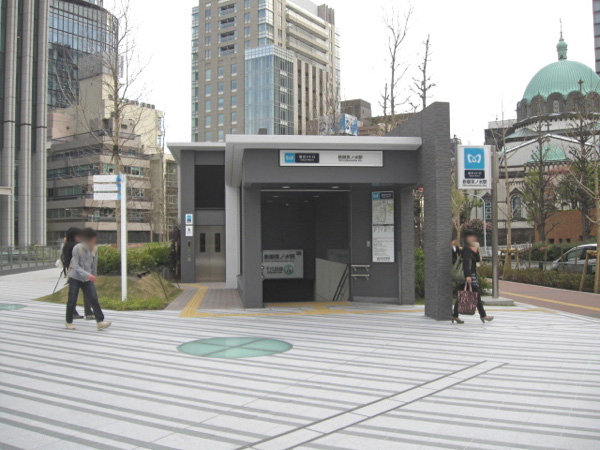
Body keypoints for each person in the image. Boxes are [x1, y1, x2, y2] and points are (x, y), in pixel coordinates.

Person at [65, 228, 111, 331]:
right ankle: (69, 322)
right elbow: (75, 266)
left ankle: (100, 321)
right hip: (75, 278)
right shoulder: (77, 248)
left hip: (87, 279)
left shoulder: (94, 249)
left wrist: (93, 276)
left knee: (94, 299)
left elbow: (94, 265)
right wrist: (87, 274)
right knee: (72, 300)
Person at [452, 229, 494, 324]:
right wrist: (468, 275)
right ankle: (483, 315)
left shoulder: (471, 248)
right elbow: (466, 263)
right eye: (471, 236)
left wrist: (476, 251)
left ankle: (455, 315)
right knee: (475, 295)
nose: (473, 238)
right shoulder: (466, 249)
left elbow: (477, 260)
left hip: (470, 275)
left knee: (463, 295)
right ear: (467, 238)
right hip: (469, 276)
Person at [60, 228, 93, 320]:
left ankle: (73, 313)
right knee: (87, 292)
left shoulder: (66, 246)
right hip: (80, 272)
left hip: (71, 272)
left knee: (73, 294)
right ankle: (88, 312)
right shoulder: (76, 246)